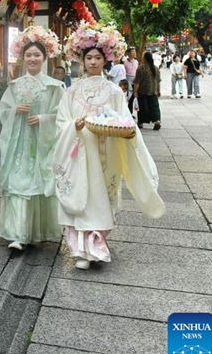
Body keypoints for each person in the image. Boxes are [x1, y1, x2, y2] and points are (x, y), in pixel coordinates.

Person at [54, 22, 165, 270]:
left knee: (102, 197)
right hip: (79, 152)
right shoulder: (72, 91)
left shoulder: (114, 91)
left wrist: (129, 134)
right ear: (81, 61)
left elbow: (125, 120)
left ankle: (97, 246)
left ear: (105, 61)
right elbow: (61, 122)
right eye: (88, 57)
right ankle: (81, 250)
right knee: (81, 194)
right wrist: (75, 125)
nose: (93, 62)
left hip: (107, 154)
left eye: (97, 58)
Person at [0, 26, 64, 251]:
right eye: (28, 55)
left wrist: (44, 119)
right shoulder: (14, 86)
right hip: (19, 146)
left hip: (42, 145)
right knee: (18, 185)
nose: (32, 58)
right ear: (22, 58)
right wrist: (15, 109)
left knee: (37, 186)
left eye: (37, 55)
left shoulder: (55, 87)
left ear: (45, 58)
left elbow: (62, 116)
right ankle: (17, 234)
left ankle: (35, 232)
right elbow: (3, 111)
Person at [135, 51, 162, 130]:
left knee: (142, 107)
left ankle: (141, 122)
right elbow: (158, 81)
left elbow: (137, 81)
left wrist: (135, 91)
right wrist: (159, 90)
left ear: (144, 58)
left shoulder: (141, 68)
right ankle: (157, 121)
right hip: (153, 91)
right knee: (154, 107)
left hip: (142, 91)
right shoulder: (155, 68)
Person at [124, 47, 138, 111]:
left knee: (132, 97)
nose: (134, 53)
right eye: (132, 51)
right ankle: (127, 111)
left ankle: (130, 112)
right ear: (128, 53)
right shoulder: (125, 62)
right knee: (128, 97)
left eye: (134, 51)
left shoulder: (136, 62)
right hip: (127, 81)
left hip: (135, 81)